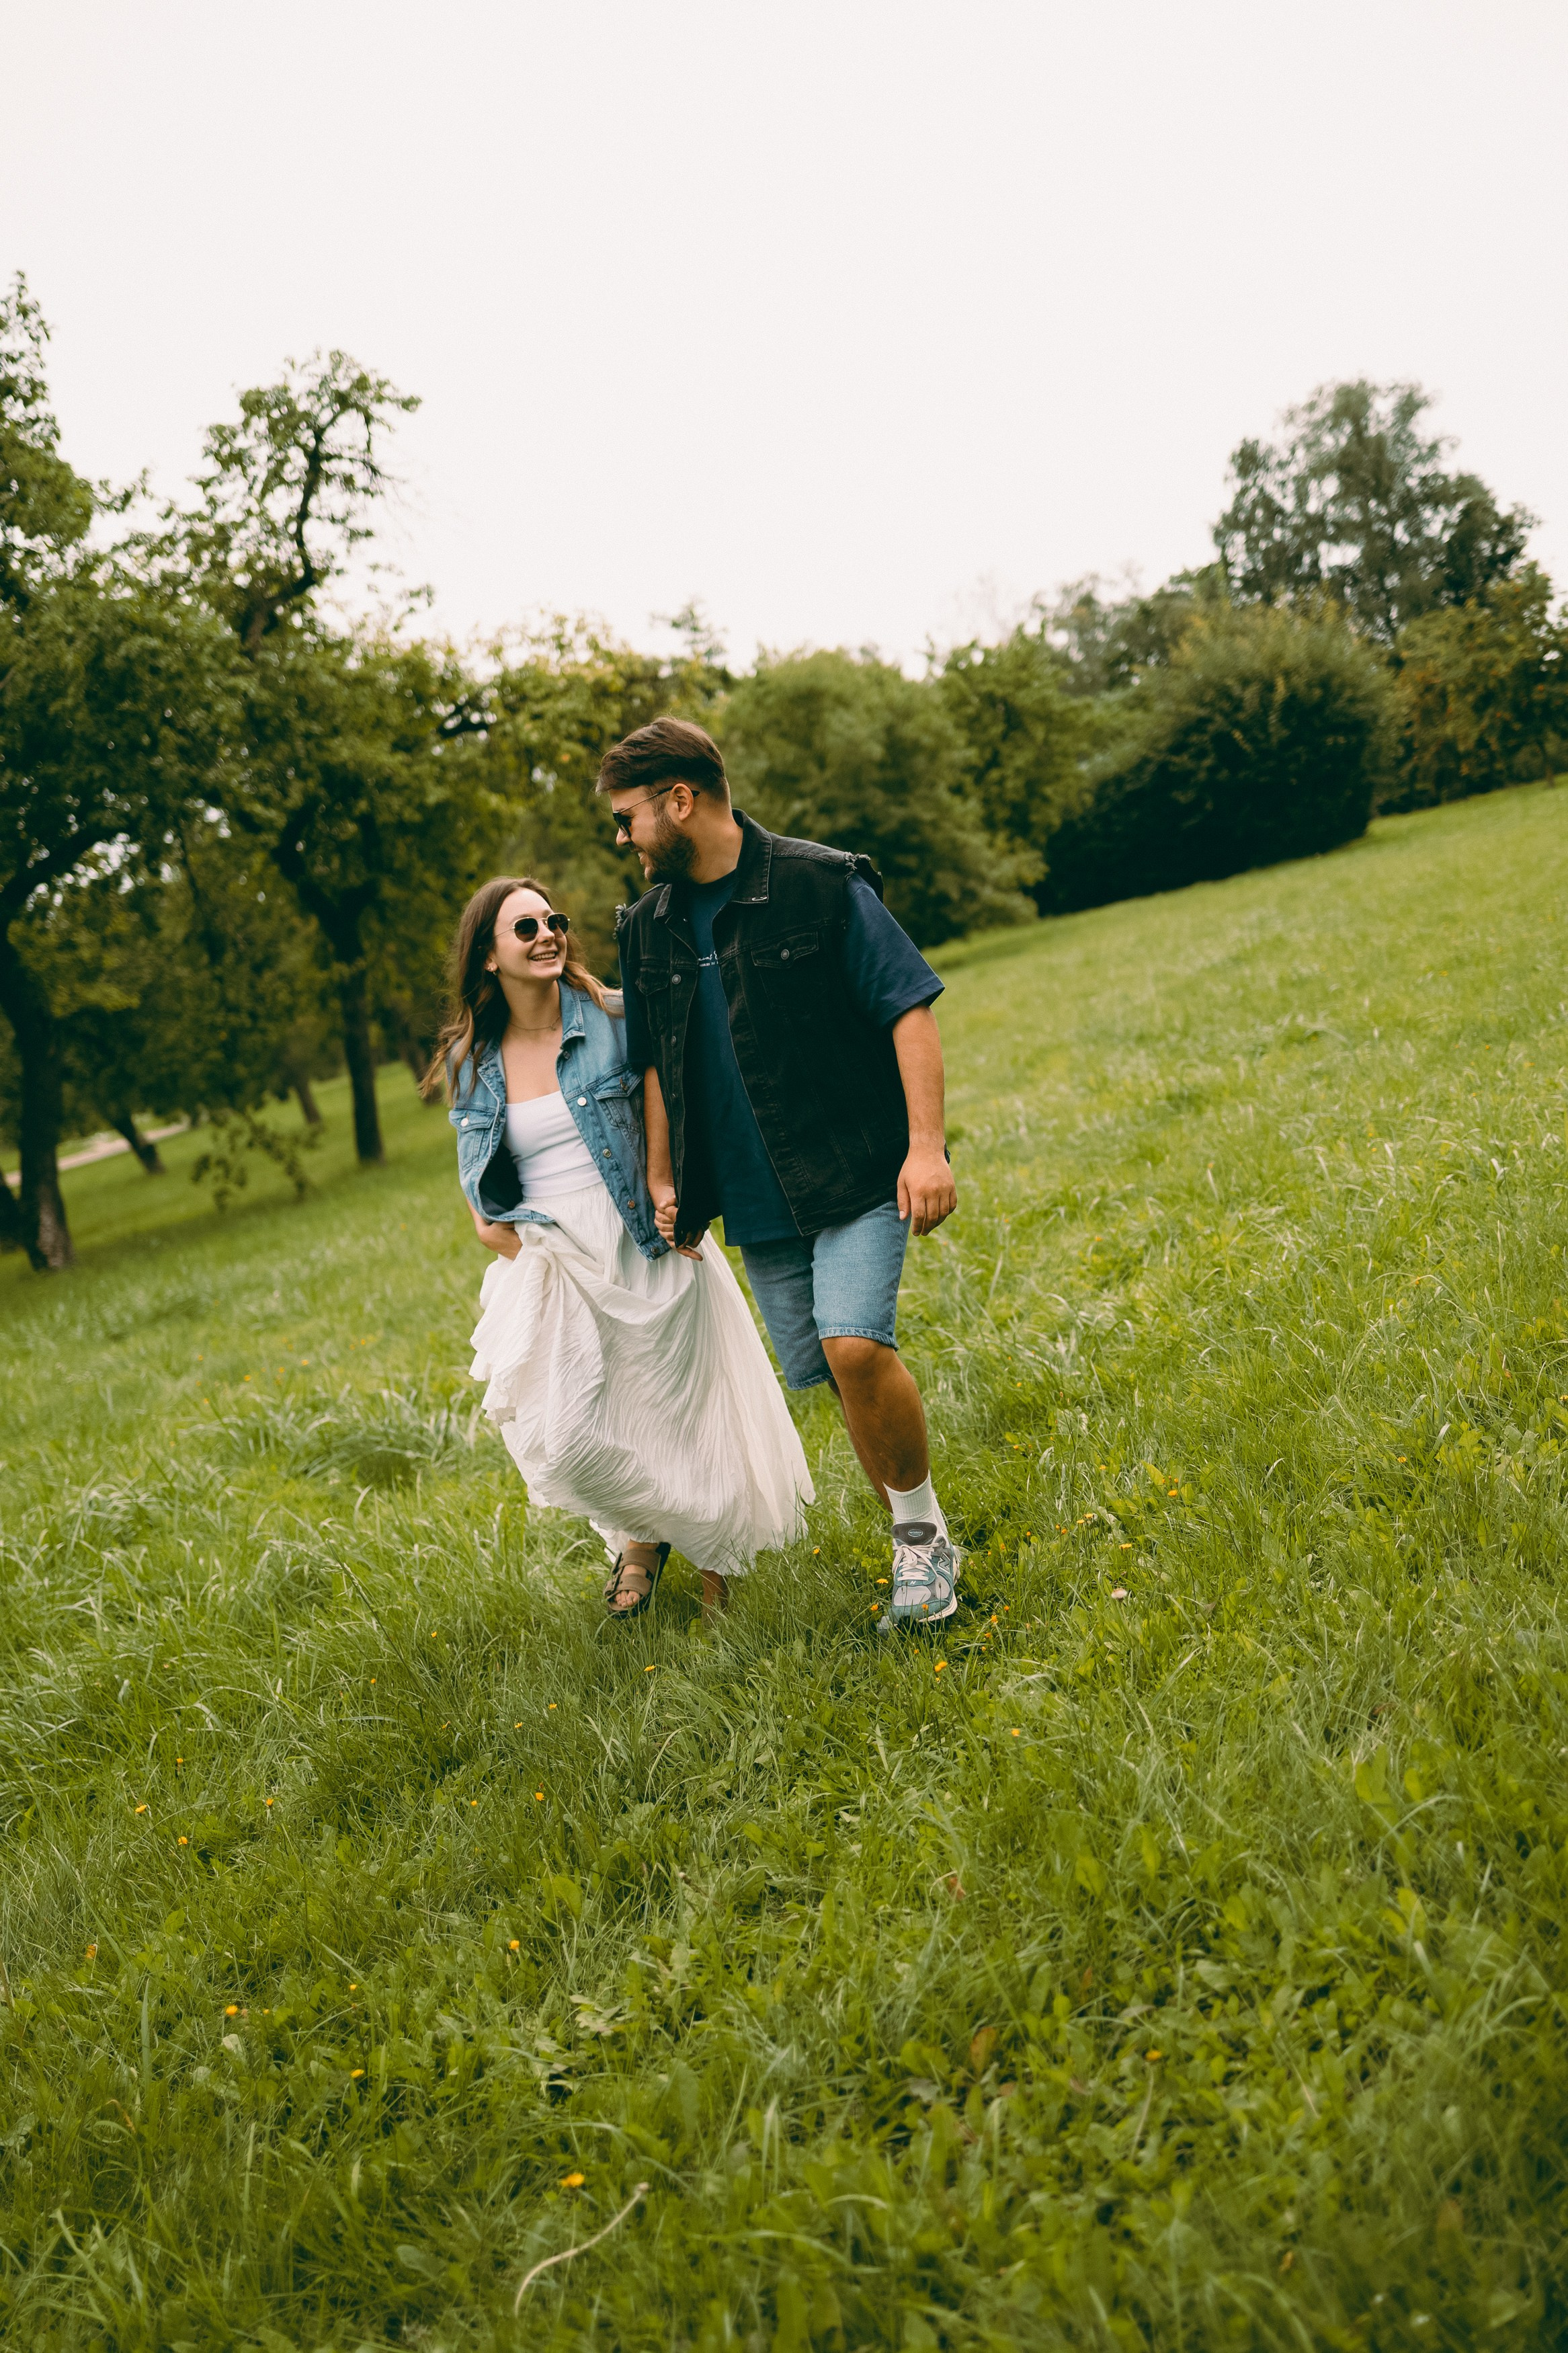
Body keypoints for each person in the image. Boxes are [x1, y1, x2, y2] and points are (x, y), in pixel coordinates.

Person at [601, 718, 961, 1626]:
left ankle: (924, 1544)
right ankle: (913, 1552)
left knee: (855, 1345)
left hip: (854, 1168)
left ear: (680, 801)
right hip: (755, 1204)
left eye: (627, 817)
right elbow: (650, 1062)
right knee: (839, 1379)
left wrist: (926, 1149)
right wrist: (660, 1178)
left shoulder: (819, 884)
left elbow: (907, 1009)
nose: (621, 839)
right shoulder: (646, 929)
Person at [423, 873, 813, 1620]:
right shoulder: (471, 1059)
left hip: (639, 1226)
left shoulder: (612, 1017)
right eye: (526, 928)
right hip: (551, 1253)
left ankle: (712, 1562)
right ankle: (642, 1533)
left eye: (554, 921)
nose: (548, 936)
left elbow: (670, 1092)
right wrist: (490, 1223)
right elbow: (480, 1175)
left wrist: (671, 1189)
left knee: (678, 1408)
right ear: (487, 958)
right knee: (567, 1431)